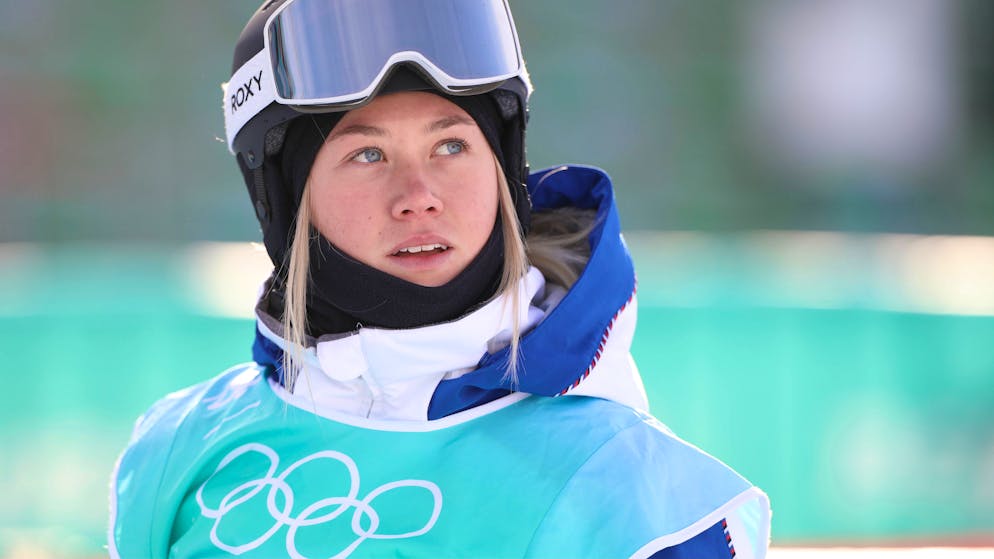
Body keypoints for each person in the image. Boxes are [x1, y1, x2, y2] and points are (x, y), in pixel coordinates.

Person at [109, 1, 771, 557]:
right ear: (284, 201)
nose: (419, 194)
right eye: (367, 154)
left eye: (451, 145)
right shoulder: (182, 445)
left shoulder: (637, 496)